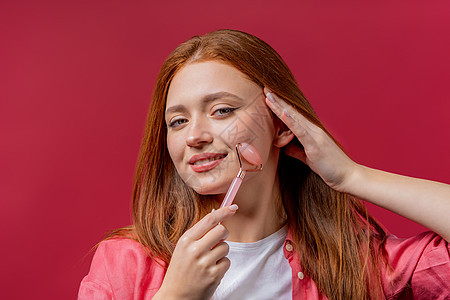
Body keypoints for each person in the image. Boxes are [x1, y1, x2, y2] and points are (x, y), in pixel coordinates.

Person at [78, 29, 450, 299]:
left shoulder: (355, 266)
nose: (195, 136)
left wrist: (352, 175)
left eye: (221, 110)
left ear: (282, 126)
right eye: (178, 121)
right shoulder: (123, 263)